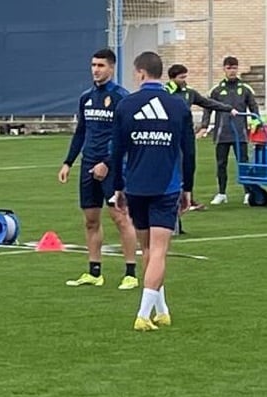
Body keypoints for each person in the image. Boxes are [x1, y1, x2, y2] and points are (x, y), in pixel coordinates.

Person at [110, 51, 195, 331]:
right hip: (166, 185)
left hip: (135, 185)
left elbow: (117, 150)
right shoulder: (178, 106)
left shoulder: (126, 105)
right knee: (159, 250)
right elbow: (188, 151)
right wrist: (188, 188)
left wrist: (118, 187)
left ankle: (163, 310)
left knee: (147, 248)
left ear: (140, 73)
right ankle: (143, 315)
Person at [59, 48, 139, 290]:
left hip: (112, 167)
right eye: (93, 65)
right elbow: (81, 132)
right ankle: (94, 272)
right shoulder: (86, 97)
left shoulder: (121, 97)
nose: (96, 69)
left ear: (112, 68)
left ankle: (130, 273)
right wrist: (68, 162)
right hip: (87, 164)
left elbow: (126, 136)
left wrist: (107, 162)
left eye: (101, 65)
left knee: (120, 217)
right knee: (91, 220)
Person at [165, 64, 237, 230]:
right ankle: (173, 218)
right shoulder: (165, 92)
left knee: (189, 167)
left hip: (187, 136)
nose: (184, 80)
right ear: (172, 78)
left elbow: (208, 103)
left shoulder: (189, 93)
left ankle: (187, 199)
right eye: (181, 78)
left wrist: (227, 108)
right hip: (171, 136)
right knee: (174, 171)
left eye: (185, 77)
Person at [201, 56, 260, 205]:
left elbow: (254, 108)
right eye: (229, 68)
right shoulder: (217, 90)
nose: (232, 71)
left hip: (240, 133)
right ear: (224, 69)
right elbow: (207, 108)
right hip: (222, 133)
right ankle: (221, 193)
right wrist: (204, 125)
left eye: (234, 68)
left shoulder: (245, 89)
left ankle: (248, 193)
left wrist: (256, 123)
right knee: (221, 163)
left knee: (243, 163)